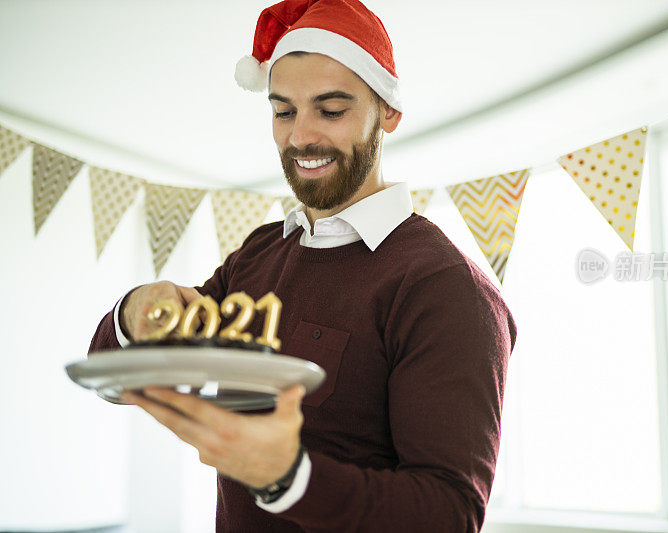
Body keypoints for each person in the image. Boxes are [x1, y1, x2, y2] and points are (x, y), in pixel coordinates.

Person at [87, 0, 518, 531]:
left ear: (388, 112)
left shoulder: (444, 287)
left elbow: (448, 515)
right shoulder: (258, 253)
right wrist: (134, 316)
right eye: (283, 110)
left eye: (331, 110)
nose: (300, 137)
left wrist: (287, 478)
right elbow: (114, 377)